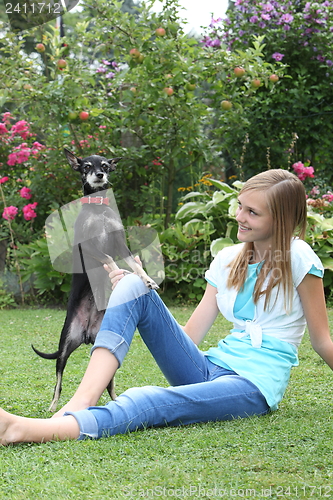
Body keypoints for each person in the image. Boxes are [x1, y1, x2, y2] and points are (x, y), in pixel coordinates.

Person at [1, 168, 333, 446]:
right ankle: (79, 403)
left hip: (252, 384)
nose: (239, 216)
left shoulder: (298, 258)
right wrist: (128, 298)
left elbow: (321, 341)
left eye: (252, 212)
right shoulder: (228, 259)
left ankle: (24, 430)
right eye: (240, 205)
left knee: (147, 399)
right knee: (133, 283)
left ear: (282, 219)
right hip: (206, 368)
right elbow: (188, 337)